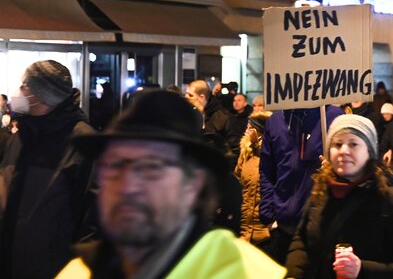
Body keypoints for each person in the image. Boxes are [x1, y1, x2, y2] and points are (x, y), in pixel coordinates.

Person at [56, 90, 285, 278]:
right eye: (115, 166)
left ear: (193, 184)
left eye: (150, 168)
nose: (127, 185)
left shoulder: (246, 272)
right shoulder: (79, 272)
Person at [286, 114, 393, 278]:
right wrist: (294, 273)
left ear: (369, 152)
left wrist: (362, 269)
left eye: (353, 144)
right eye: (337, 144)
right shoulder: (320, 194)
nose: (344, 151)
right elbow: (301, 243)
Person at [0, 60, 98, 278]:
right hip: (11, 265)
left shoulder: (82, 141)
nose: (20, 91)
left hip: (53, 269)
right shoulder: (21, 136)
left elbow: (94, 218)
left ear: (41, 95)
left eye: (24, 85)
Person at [260, 105, 344, 264]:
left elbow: (349, 165)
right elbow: (266, 169)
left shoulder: (334, 116)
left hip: (322, 223)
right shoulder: (275, 121)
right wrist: (268, 215)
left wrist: (334, 170)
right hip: (283, 224)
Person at [235, 111, 273, 254]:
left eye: (248, 128)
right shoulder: (246, 152)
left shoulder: (273, 152)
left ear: (255, 131)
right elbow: (238, 180)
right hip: (245, 230)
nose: (245, 132)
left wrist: (259, 147)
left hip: (265, 232)